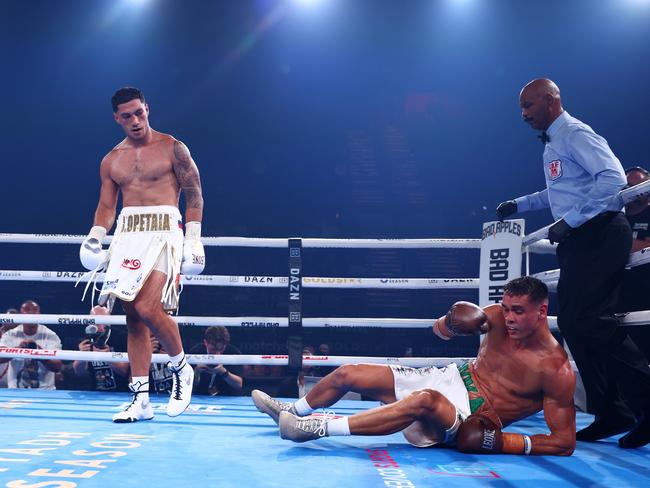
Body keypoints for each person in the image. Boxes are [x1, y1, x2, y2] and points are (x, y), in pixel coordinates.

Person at [253, 277, 576, 456]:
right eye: (506, 308)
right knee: (349, 372)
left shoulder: (554, 367)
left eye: (518, 311)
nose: (509, 318)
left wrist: (504, 443)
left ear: (542, 310)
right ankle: (294, 411)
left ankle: (315, 429)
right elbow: (438, 331)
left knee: (424, 400)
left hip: (471, 414)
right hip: (452, 375)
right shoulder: (492, 318)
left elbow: (564, 442)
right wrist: (451, 323)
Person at [496, 79, 650, 448]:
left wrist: (573, 221)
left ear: (551, 101)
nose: (523, 114)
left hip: (599, 233)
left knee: (591, 320)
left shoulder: (576, 133)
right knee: (574, 323)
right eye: (521, 107)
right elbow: (557, 194)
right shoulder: (553, 142)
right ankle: (612, 411)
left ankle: (643, 402)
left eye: (528, 105)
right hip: (580, 238)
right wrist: (519, 204)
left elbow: (612, 179)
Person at [79, 87, 205, 422]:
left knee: (150, 306)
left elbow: (194, 193)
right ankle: (141, 400)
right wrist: (96, 235)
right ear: (116, 118)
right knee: (133, 318)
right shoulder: (111, 160)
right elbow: (107, 206)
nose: (135, 121)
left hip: (164, 230)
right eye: (126, 116)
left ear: (147, 108)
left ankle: (181, 368)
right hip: (127, 233)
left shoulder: (172, 147)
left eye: (139, 112)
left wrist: (194, 238)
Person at [616, 166, 650, 358]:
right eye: (630, 186)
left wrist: (617, 240)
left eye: (640, 186)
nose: (635, 191)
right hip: (620, 292)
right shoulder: (614, 216)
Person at [0, 300, 63, 390]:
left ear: (39, 314)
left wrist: (41, 354)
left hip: (45, 392)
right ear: (21, 315)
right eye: (27, 309)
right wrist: (17, 350)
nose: (31, 312)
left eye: (35, 309)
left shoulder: (50, 335)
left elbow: (57, 366)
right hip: (15, 391)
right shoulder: (11, 335)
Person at [72, 305, 129, 391]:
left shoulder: (121, 337)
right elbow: (78, 372)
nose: (100, 325)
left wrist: (108, 357)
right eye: (95, 321)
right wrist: (82, 357)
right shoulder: (86, 340)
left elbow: (126, 372)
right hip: (96, 393)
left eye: (103, 321)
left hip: (121, 392)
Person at [190, 326, 243, 396]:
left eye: (221, 349)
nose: (217, 353)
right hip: (200, 395)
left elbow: (239, 384)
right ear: (206, 343)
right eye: (214, 349)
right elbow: (187, 385)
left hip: (227, 397)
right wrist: (196, 372)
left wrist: (224, 372)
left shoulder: (233, 353)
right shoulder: (196, 352)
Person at [0, 308, 19, 388]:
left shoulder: (22, 336)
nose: (10, 322)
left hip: (14, 378)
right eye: (8, 319)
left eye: (13, 319)